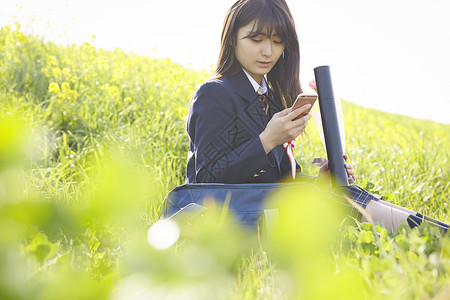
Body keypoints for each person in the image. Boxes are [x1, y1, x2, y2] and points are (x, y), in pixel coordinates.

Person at [184, 0, 447, 233]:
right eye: (257, 39)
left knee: (342, 194)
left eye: (277, 41)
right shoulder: (214, 94)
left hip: (267, 214)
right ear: (232, 38)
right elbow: (205, 179)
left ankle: (436, 237)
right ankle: (434, 241)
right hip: (229, 223)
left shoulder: (273, 100)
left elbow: (282, 182)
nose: (268, 51)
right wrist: (267, 140)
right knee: (344, 200)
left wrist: (320, 180)